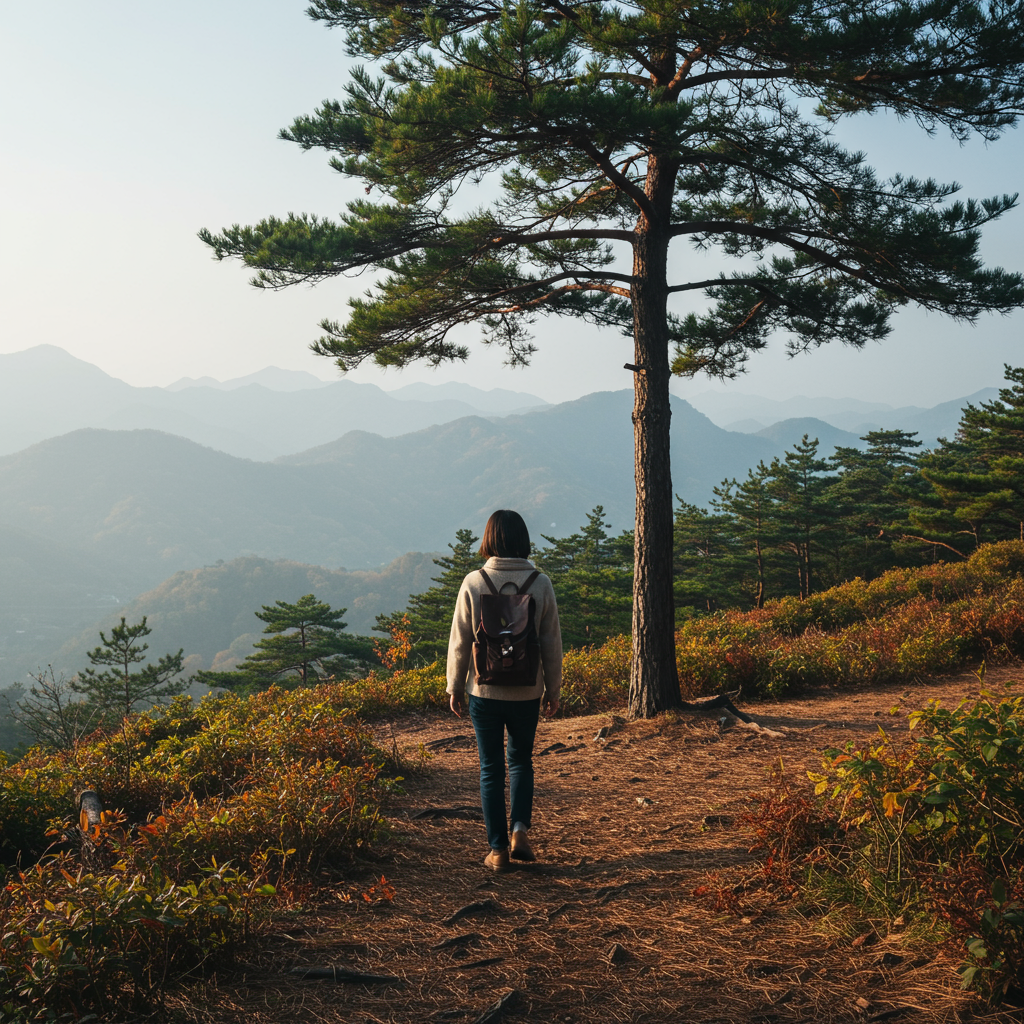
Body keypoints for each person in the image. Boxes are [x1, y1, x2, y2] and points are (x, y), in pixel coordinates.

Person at [447, 509, 562, 871]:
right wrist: (554, 690)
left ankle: (497, 850)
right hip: (528, 691)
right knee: (521, 762)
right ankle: (520, 831)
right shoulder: (540, 583)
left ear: (490, 539)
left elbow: (460, 641)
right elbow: (551, 641)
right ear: (523, 540)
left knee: (490, 769)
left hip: (484, 691)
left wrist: (454, 686)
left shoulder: (474, 582)